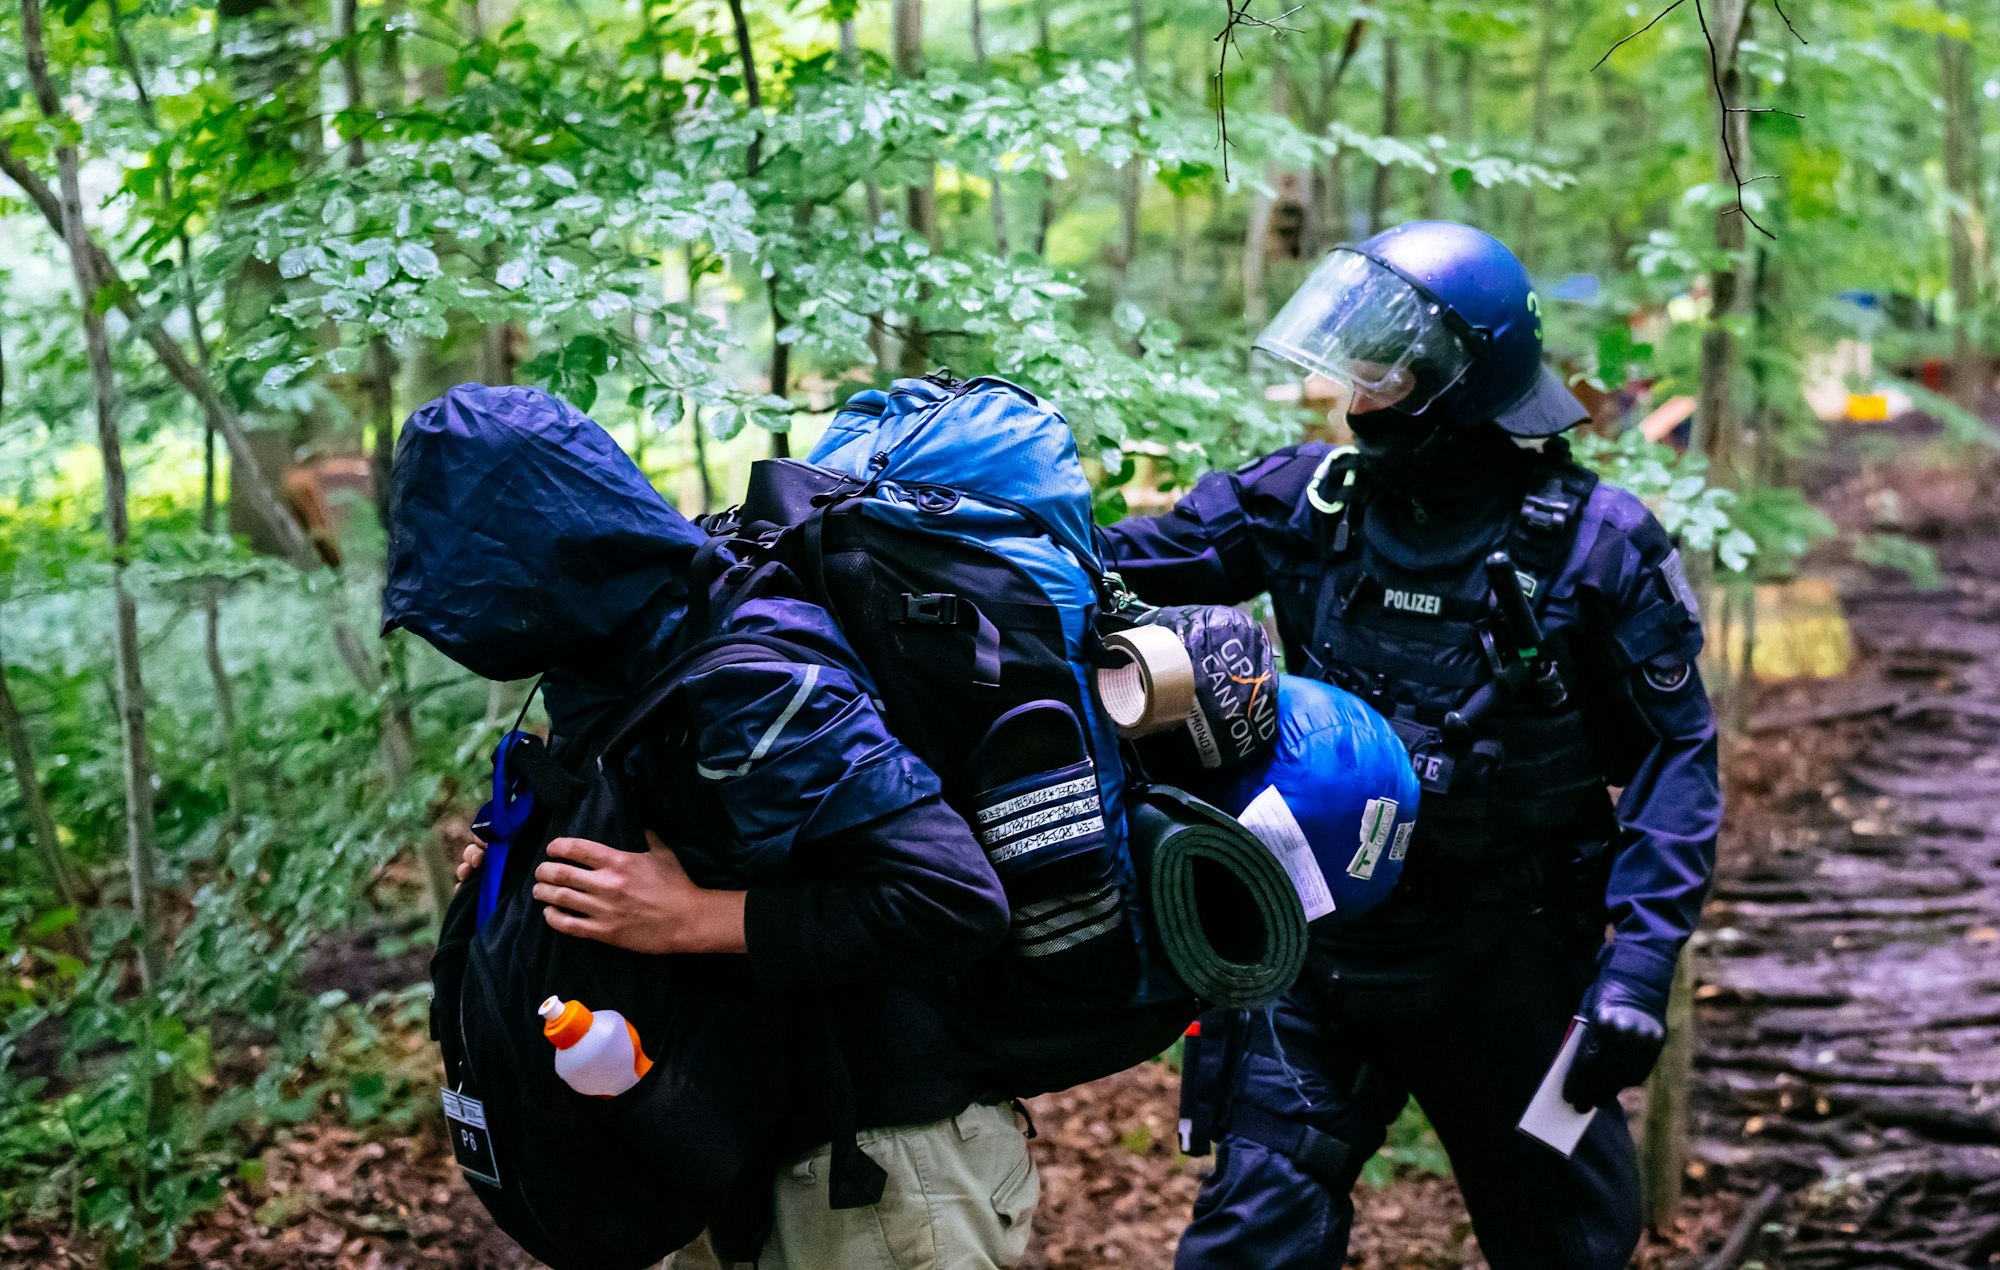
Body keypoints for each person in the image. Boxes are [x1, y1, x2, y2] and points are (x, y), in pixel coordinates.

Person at [1099, 221, 1721, 1268]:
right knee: (1249, 1236)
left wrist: (1638, 965)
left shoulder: (1592, 543)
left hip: (1507, 955)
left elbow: (1676, 754)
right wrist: (961, 531)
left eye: (1381, 374)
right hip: (1316, 938)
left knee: (1568, 1245)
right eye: (1352, 368)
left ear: (1456, 385)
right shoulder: (1310, 501)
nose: (1354, 398)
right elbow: (1113, 561)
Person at [386, 384, 1039, 1269]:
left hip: (884, 1172)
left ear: (536, 561)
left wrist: (693, 916)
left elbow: (952, 899)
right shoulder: (626, 653)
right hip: (744, 1151)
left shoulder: (746, 667)